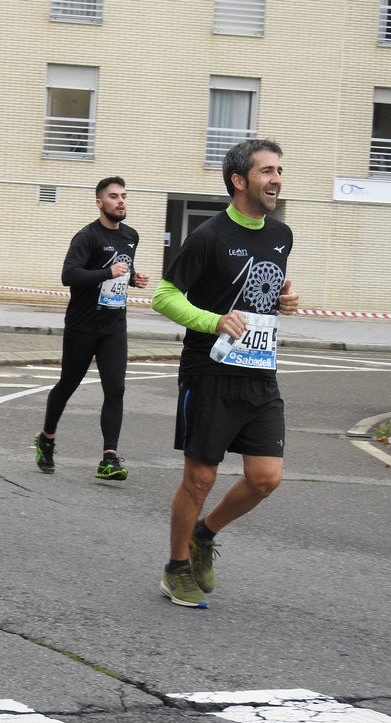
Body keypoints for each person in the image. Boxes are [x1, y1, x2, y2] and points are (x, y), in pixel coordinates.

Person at [151, 138, 299, 609]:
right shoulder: (209, 237)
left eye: (279, 170)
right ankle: (176, 569)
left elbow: (259, 293)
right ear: (240, 180)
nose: (276, 179)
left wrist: (281, 302)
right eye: (266, 172)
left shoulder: (282, 235)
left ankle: (203, 534)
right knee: (200, 476)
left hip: (260, 370)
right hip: (209, 370)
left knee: (265, 477)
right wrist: (213, 320)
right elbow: (165, 296)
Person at [35, 176, 148, 480]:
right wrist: (106, 272)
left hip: (114, 325)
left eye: (124, 195)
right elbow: (69, 275)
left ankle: (108, 458)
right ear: (100, 203)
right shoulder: (86, 237)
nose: (121, 201)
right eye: (113, 196)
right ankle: (46, 439)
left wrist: (133, 278)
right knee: (68, 385)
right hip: (83, 325)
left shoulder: (131, 236)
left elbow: (123, 266)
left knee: (116, 389)